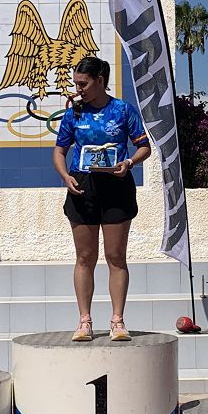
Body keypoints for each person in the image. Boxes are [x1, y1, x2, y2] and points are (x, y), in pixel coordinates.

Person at [53, 56, 151, 343]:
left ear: (100, 80)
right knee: (85, 257)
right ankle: (84, 321)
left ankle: (117, 321)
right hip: (82, 185)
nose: (78, 89)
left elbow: (144, 147)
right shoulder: (74, 113)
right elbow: (59, 151)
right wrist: (65, 176)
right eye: (76, 83)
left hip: (116, 183)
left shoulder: (122, 110)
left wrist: (130, 163)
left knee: (115, 257)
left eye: (83, 83)